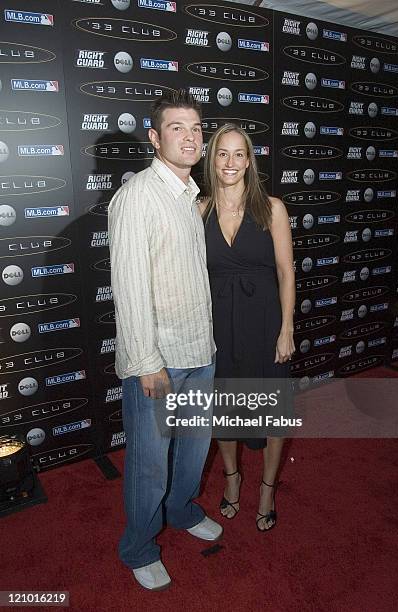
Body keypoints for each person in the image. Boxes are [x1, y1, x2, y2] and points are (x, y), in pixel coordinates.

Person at [108, 90, 221, 592]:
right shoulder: (137, 197)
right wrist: (147, 364)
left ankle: (181, 510)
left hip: (199, 353)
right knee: (150, 465)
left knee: (193, 452)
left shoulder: (188, 196)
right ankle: (137, 546)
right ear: (155, 138)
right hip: (159, 362)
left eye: (196, 127)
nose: (191, 135)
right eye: (177, 127)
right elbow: (130, 290)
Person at [200, 124, 295, 532]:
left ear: (250, 160)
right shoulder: (199, 209)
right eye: (223, 153)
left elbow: (286, 272)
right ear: (212, 159)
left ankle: (268, 489)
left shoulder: (271, 208)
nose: (231, 163)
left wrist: (286, 328)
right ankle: (233, 479)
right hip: (218, 326)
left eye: (240, 154)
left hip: (265, 322)